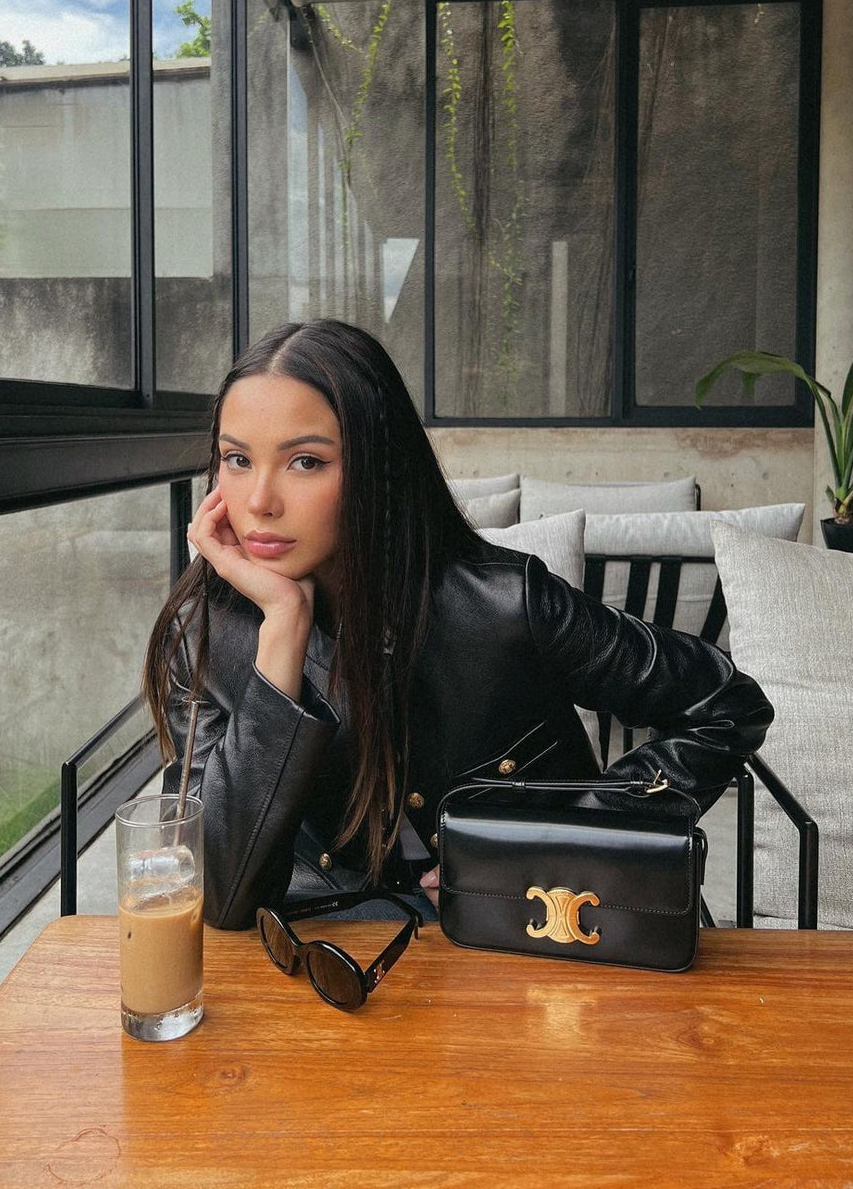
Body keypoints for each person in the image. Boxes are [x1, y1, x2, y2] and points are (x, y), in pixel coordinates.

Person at [142, 319, 773, 931]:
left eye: (306, 462)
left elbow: (726, 706)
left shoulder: (503, 603)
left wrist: (565, 848)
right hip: (351, 959)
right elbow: (219, 897)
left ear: (379, 469)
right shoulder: (202, 638)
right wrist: (283, 627)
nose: (259, 502)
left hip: (544, 934)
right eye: (237, 459)